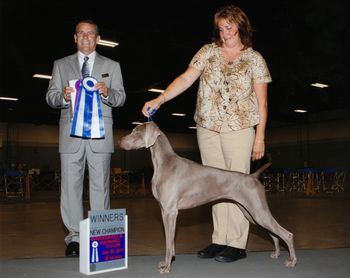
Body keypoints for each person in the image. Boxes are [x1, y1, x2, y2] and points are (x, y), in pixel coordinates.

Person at [142, 4, 271, 263]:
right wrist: (161, 98)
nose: (224, 33)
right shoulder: (208, 51)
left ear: (241, 26)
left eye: (229, 27)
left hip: (240, 128)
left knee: (237, 186)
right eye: (221, 28)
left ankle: (236, 243)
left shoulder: (255, 59)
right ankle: (219, 239)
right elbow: (187, 78)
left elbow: (262, 102)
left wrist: (260, 137)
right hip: (207, 128)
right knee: (212, 186)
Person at [46, 19, 126, 257]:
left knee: (100, 187)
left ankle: (101, 237)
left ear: (98, 38)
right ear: (75, 38)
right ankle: (75, 239)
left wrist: (107, 92)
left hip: (100, 136)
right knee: (70, 189)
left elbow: (121, 98)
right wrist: (62, 96)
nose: (85, 38)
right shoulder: (60, 65)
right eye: (81, 34)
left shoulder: (112, 65)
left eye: (90, 34)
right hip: (70, 135)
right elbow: (50, 97)